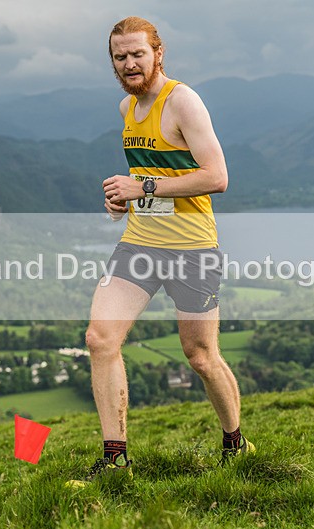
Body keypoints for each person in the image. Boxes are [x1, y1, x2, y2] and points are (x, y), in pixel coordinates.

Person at [68, 16, 253, 487]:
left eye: (137, 54)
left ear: (158, 53)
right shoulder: (126, 107)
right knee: (99, 339)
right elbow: (150, 177)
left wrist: (143, 186)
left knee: (201, 356)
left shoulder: (183, 101)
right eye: (119, 57)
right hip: (141, 243)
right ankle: (115, 459)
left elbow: (217, 177)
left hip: (192, 247)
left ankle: (236, 444)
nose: (129, 64)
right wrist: (121, 198)